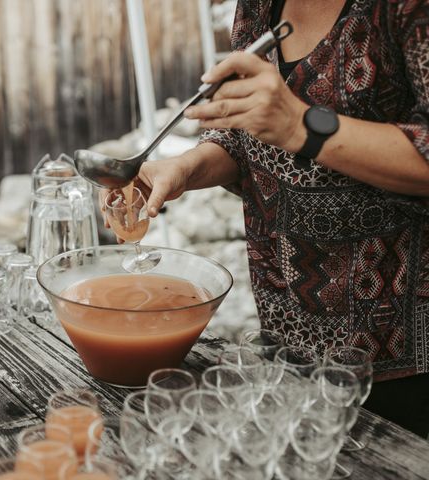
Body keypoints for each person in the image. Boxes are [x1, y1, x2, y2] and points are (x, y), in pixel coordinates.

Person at [135, 0, 429, 437]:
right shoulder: (257, 5)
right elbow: (246, 132)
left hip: (406, 356)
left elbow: (289, 124)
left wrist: (302, 126)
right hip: (285, 332)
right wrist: (185, 168)